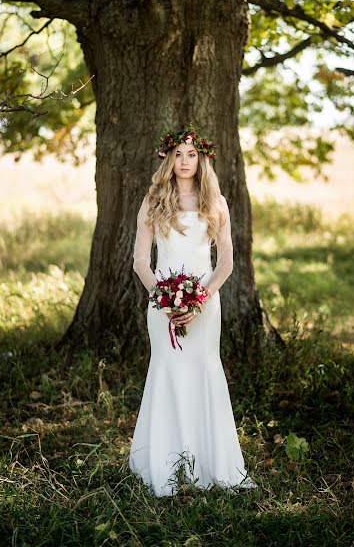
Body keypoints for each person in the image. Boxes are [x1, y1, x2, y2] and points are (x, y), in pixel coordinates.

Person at [129, 123, 255, 497]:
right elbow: (140, 261)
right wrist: (162, 300)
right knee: (167, 371)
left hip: (205, 304)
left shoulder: (214, 202)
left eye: (192, 155)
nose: (185, 161)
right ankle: (165, 465)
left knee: (203, 371)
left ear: (201, 160)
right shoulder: (153, 201)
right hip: (161, 305)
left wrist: (200, 299)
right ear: (169, 160)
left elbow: (227, 262)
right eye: (178, 155)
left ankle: (209, 463)